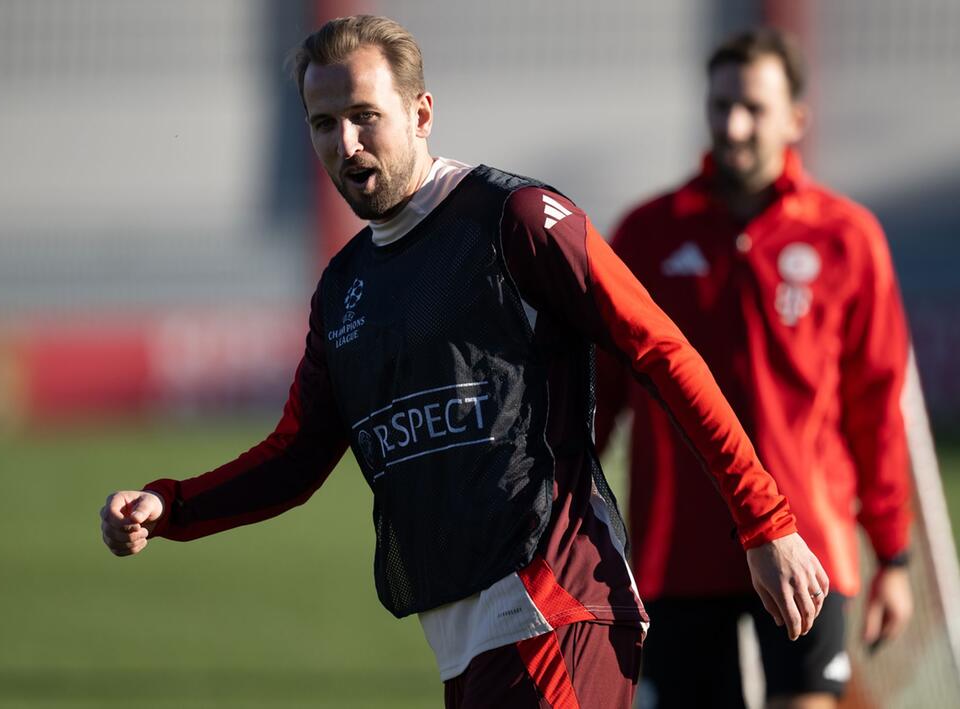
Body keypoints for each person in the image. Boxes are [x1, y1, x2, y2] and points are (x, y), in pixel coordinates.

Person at [100, 16, 828, 708]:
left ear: (421, 114)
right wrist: (173, 504)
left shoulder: (517, 220)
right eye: (324, 123)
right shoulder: (344, 285)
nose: (346, 142)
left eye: (365, 115)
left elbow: (661, 350)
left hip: (555, 606)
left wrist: (764, 521)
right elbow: (297, 456)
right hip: (464, 635)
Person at [595, 28, 913, 709]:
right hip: (678, 552)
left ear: (797, 118)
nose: (732, 126)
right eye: (720, 107)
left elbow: (876, 404)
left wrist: (892, 555)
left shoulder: (847, 238)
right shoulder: (646, 235)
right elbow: (600, 396)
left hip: (811, 541)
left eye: (753, 108)